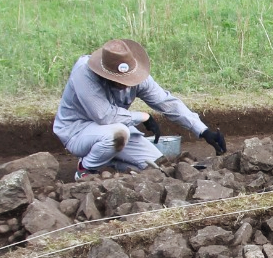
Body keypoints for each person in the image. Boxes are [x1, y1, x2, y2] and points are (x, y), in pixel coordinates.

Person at [53, 38, 226, 178]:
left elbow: (166, 102)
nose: (125, 85)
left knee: (158, 168)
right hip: (78, 131)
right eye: (118, 81)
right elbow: (104, 116)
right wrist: (144, 117)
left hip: (115, 129)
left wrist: (202, 130)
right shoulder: (84, 72)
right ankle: (85, 168)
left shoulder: (137, 74)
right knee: (119, 133)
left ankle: (110, 164)